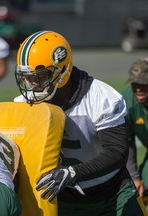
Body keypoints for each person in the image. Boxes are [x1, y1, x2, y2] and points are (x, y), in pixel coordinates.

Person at [13, 30, 147, 215]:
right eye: (27, 77)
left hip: (113, 193)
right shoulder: (22, 105)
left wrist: (73, 173)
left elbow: (117, 152)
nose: (32, 84)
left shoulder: (100, 98)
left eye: (39, 76)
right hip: (65, 198)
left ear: (63, 71)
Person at [121, 57, 148, 202]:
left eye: (143, 84)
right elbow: (128, 141)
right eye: (134, 84)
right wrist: (135, 177)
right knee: (141, 189)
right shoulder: (127, 101)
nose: (138, 88)